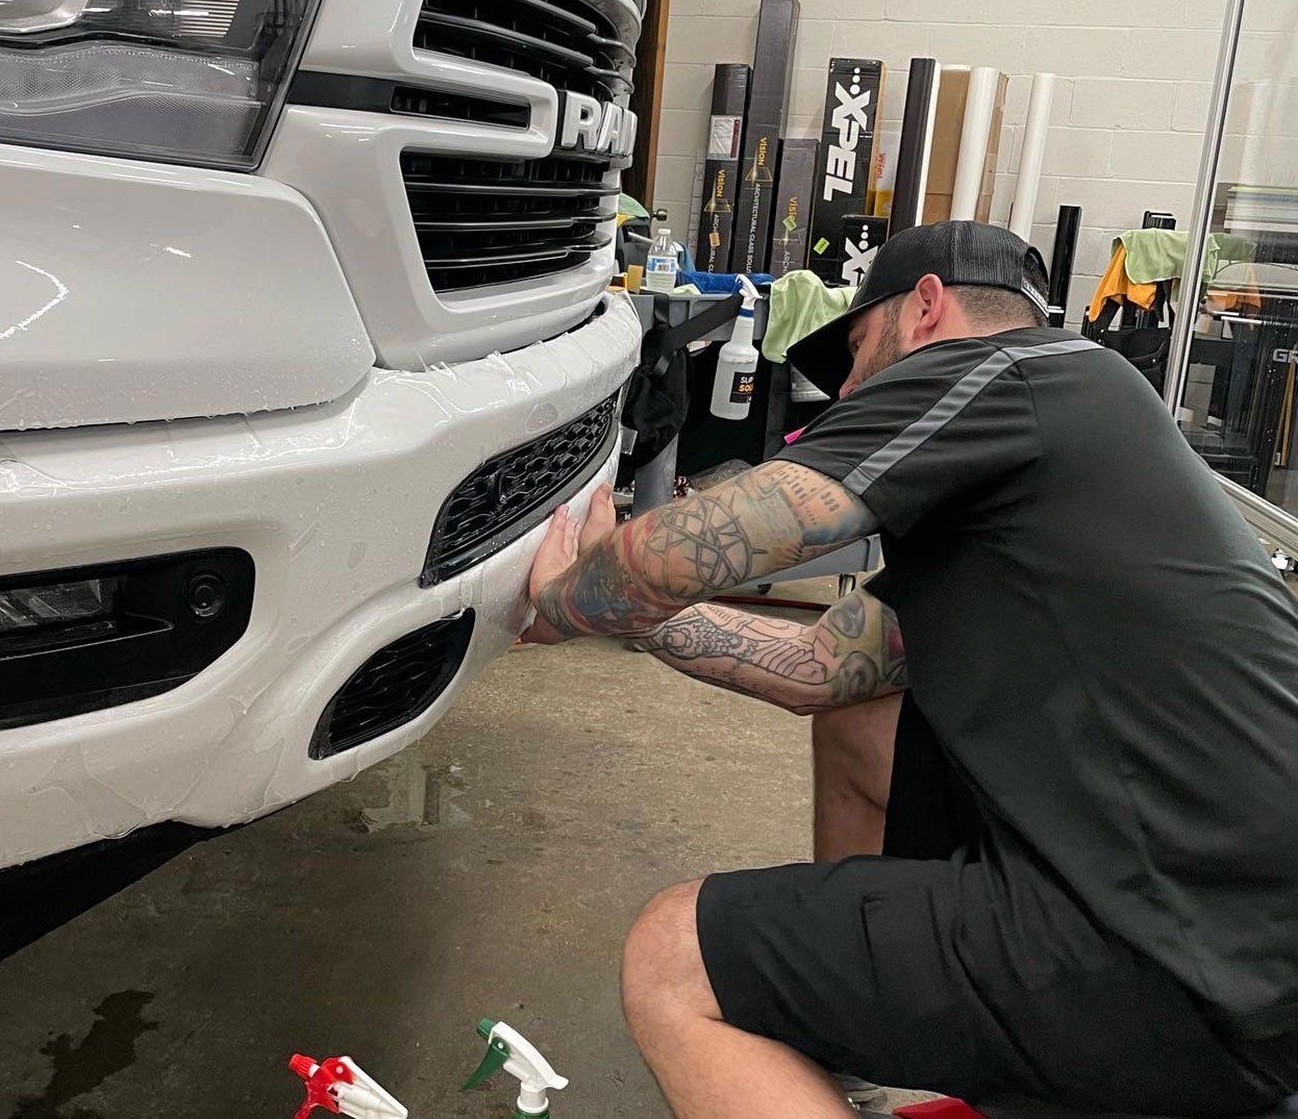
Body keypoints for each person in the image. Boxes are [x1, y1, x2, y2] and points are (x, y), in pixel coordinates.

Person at [523, 221, 1298, 1117]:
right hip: (1246, 934)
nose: (847, 389)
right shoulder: (1054, 466)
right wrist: (631, 621)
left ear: (926, 308)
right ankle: (831, 1052)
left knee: (670, 960)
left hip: (1186, 948)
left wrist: (559, 599)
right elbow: (817, 666)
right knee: (860, 721)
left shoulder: (1014, 374)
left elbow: (670, 558)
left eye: (855, 351)